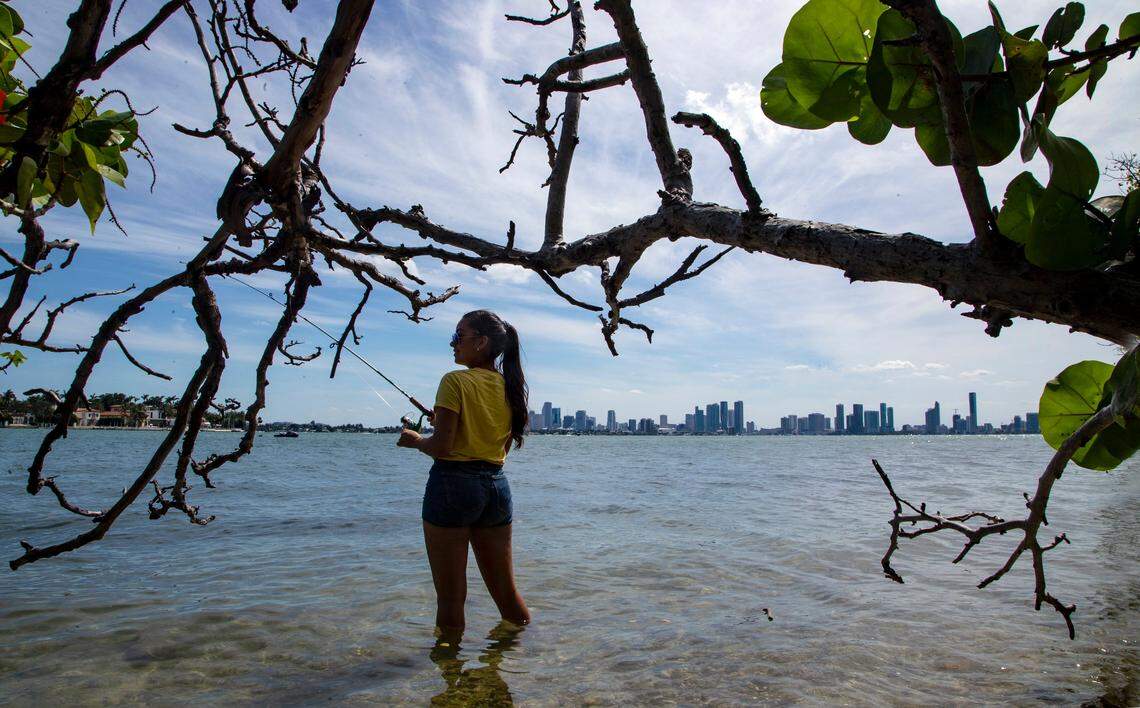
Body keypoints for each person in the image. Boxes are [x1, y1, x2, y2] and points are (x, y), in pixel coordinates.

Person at [397, 310, 531, 633]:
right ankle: (526, 650)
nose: (453, 344)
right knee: (507, 594)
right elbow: (496, 446)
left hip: (452, 487)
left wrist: (415, 441)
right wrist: (446, 423)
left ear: (481, 343)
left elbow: (442, 448)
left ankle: (451, 676)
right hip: (497, 490)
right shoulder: (509, 387)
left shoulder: (453, 381)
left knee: (450, 599)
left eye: (458, 336)